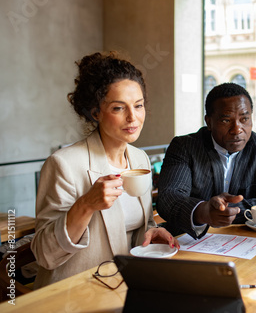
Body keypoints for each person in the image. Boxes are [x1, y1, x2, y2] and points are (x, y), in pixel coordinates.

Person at [31, 52, 179, 288]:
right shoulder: (64, 164)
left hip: (127, 285)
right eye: (119, 108)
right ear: (96, 112)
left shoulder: (139, 159)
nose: (133, 117)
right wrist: (86, 204)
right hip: (75, 294)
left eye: (138, 106)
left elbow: (137, 226)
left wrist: (151, 232)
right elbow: (45, 254)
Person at [157, 82, 256, 239]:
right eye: (226, 120)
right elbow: (168, 198)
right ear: (209, 122)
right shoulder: (185, 147)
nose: (237, 129)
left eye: (244, 119)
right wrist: (203, 212)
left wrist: (229, 211)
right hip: (187, 240)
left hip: (240, 242)